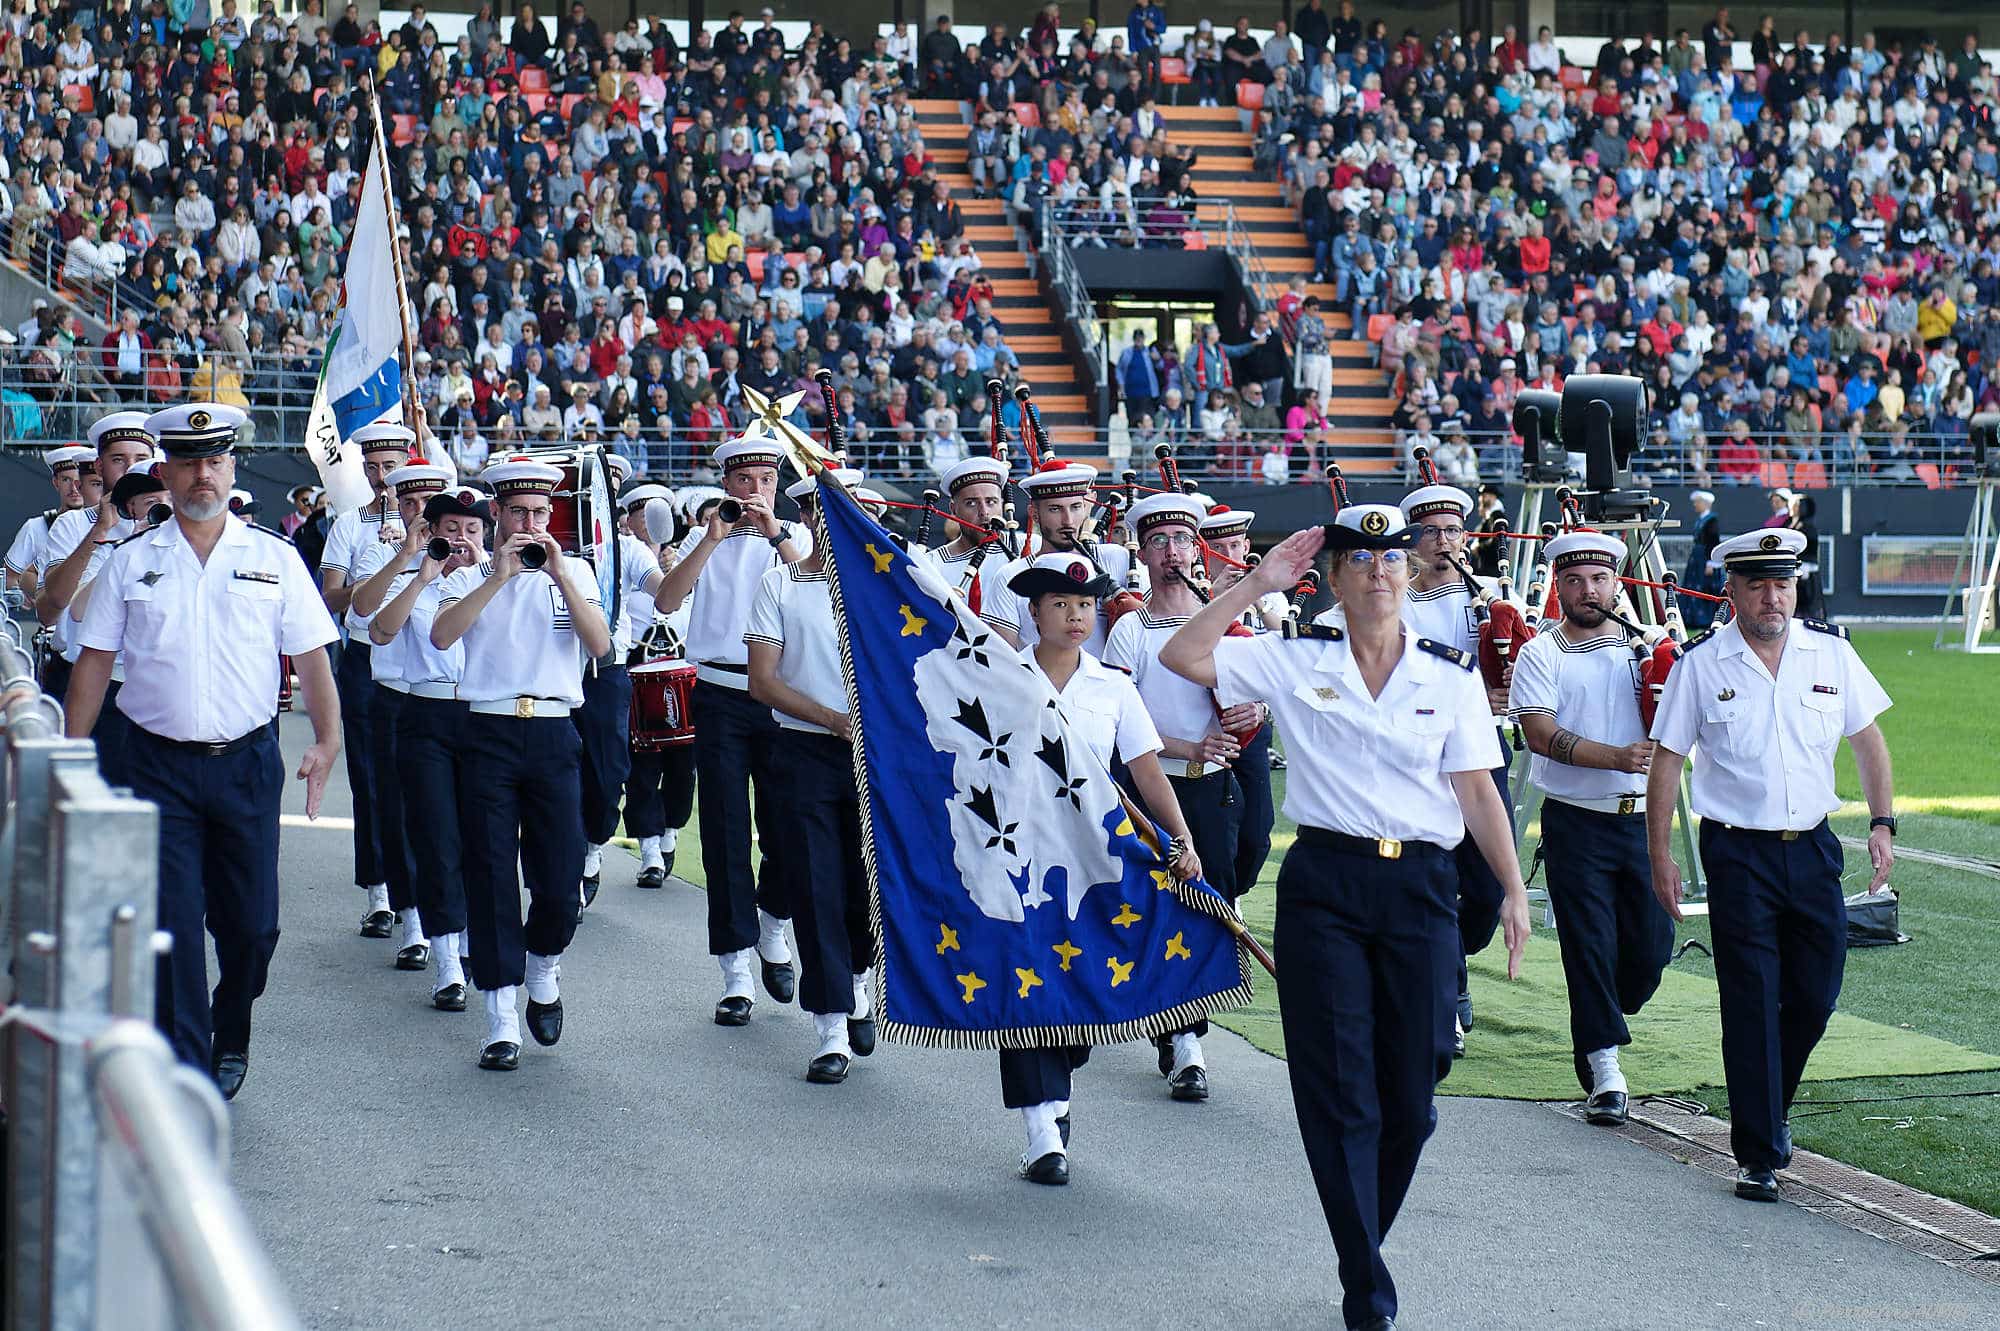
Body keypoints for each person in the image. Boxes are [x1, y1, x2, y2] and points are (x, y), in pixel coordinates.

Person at [1159, 504, 1530, 1331]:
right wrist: (1257, 582)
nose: (1379, 573)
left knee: (1415, 1093)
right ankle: (1365, 1276)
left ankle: (1362, 1239)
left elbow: (1477, 788)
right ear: (1331, 580)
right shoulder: (1293, 656)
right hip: (1327, 884)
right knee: (1340, 1089)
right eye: (1359, 561)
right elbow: (1182, 653)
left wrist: (1511, 886)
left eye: (1392, 560)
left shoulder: (1447, 671)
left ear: (1409, 573)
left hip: (1422, 887)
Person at [65, 402, 341, 1100]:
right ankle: (189, 1072)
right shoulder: (132, 563)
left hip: (246, 763)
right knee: (173, 926)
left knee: (252, 929)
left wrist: (328, 740)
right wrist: (67, 757)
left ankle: (233, 1024)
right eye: (187, 462)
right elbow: (94, 663)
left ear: (231, 467)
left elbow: (311, 658)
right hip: (154, 764)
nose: (201, 475)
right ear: (166, 470)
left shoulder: (273, 559)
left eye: (214, 460)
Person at [1647, 527, 1897, 1203]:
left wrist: (1882, 822)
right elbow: (1668, 758)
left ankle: (1768, 1104)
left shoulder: (1830, 653)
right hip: (1737, 854)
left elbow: (1868, 737)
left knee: (1815, 995)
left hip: (1813, 848)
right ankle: (1758, 1151)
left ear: (1795, 586)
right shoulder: (1701, 664)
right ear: (1731, 590)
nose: (1771, 597)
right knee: (1751, 999)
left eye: (1781, 582)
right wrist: (1662, 853)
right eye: (1756, 583)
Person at [1003, 552, 1203, 1185]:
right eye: (1060, 604)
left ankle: (1057, 1083)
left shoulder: (1114, 686)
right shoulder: (998, 679)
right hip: (1016, 861)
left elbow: (1146, 769)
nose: (1075, 616)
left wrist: (1181, 837)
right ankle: (1041, 1125)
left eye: (1085, 604)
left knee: (1081, 988)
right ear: (1034, 612)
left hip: (1096, 864)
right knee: (1026, 988)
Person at [431, 457, 612, 1071]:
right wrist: (497, 578)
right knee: (488, 873)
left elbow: (602, 645)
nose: (530, 524)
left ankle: (543, 967)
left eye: (540, 513)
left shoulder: (576, 570)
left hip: (556, 731)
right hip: (488, 729)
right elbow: (441, 637)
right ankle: (501, 1015)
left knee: (561, 881)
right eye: (518, 514)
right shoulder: (471, 571)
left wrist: (559, 576)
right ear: (498, 516)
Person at [1508, 531, 1674, 1126]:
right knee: (1590, 946)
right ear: (1559, 585)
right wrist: (1618, 757)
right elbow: (1539, 735)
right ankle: (1605, 1070)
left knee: (1650, 955)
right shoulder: (1541, 653)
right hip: (1576, 823)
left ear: (1617, 583)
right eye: (1574, 581)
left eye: (1599, 579)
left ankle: (1609, 1015)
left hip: (1643, 823)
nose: (1587, 591)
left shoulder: (1647, 651)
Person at [653, 433, 810, 1025]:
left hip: (779, 694)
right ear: (727, 485)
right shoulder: (704, 538)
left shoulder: (791, 542)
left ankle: (774, 923)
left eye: (766, 481)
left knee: (787, 825)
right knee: (723, 830)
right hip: (719, 692)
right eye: (745, 481)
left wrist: (775, 529)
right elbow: (667, 600)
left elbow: (816, 586)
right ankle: (735, 969)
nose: (756, 491)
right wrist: (712, 537)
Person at [1105, 492, 1255, 1102]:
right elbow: (1120, 718)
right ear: (1142, 553)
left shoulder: (1220, 619)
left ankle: (1186, 1031)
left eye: (1183, 542)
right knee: (1165, 911)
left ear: (1199, 548)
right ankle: (1184, 1041)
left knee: (1214, 904)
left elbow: (1260, 691)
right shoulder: (1129, 630)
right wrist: (1187, 745)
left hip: (1215, 789)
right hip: (1152, 791)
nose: (1173, 554)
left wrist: (1258, 707)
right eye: (1160, 543)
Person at [745, 469, 878, 1084]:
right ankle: (830, 1026)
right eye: (831, 514)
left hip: (877, 759)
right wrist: (833, 720)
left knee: (865, 889)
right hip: (804, 751)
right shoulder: (781, 583)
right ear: (811, 519)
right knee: (818, 885)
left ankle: (859, 980)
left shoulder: (889, 585)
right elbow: (764, 681)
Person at [367, 482, 492, 1012]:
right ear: (432, 533)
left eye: (471, 529)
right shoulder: (418, 579)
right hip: (427, 714)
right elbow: (379, 631)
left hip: (488, 717)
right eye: (450, 530)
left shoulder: (505, 576)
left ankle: (469, 944)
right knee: (436, 837)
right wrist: (419, 574)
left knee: (481, 840)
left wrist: (490, 564)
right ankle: (445, 960)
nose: (461, 539)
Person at [346, 460, 457, 971]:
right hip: (393, 696)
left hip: (455, 702)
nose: (419, 513)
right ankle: (411, 920)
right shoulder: (381, 551)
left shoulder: (466, 555)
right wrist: (406, 556)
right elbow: (364, 612)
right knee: (396, 810)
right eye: (409, 503)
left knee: (451, 820)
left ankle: (456, 927)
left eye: (428, 505)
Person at [318, 423, 421, 939]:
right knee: (371, 778)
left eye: (393, 467)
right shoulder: (349, 525)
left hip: (419, 661)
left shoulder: (432, 522)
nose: (384, 478)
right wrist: (374, 579)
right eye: (375, 468)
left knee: (416, 781)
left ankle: (421, 899)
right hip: (363, 656)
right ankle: (379, 891)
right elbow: (331, 596)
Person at [575, 453, 667, 905]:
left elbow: (663, 593)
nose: (603, 494)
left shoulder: (628, 548)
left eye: (610, 486)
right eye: (596, 484)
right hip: (555, 674)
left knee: (609, 773)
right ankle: (565, 864)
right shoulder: (559, 541)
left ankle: (593, 845)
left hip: (608, 672)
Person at [34, 412, 156, 701]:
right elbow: (50, 609)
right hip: (82, 673)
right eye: (118, 460)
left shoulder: (169, 522)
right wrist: (99, 530)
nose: (130, 469)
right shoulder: (72, 524)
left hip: (149, 677)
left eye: (141, 458)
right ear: (99, 466)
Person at [1199, 504, 1283, 897]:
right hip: (1205, 730)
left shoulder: (1271, 600)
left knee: (1257, 834)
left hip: (1251, 728)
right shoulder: (1191, 596)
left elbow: (1285, 660)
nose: (1228, 556)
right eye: (1218, 548)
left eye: (1235, 545)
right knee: (1217, 833)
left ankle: (1235, 895)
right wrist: (1214, 598)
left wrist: (1257, 595)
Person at [617, 483, 695, 887]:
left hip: (682, 670)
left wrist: (677, 568)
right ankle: (649, 849)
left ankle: (670, 831)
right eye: (641, 514)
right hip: (638, 668)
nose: (649, 523)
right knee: (642, 767)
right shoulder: (622, 559)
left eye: (657, 513)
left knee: (683, 769)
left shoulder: (683, 556)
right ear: (629, 519)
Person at [981, 461, 1132, 656]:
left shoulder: (1116, 558)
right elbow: (1003, 659)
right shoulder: (1010, 576)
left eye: (1076, 507)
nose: (1068, 521)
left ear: (1087, 507)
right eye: (1055, 509)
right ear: (1034, 514)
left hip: (1104, 684)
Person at [917, 455, 1008, 611]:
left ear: (1002, 504)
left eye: (991, 502)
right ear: (953, 509)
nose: (984, 512)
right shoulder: (933, 564)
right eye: (971, 503)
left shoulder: (1027, 549)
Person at [5, 444, 96, 597]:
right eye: (66, 479)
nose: (74, 488)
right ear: (55, 483)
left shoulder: (106, 524)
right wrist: (36, 597)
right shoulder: (36, 527)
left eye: (79, 480)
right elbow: (11, 577)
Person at [1680, 488, 1722, 628]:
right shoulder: (1701, 520)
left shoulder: (1711, 521)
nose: (1695, 505)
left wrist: (1711, 563)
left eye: (1698, 502)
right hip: (1697, 559)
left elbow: (1713, 542)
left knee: (1705, 588)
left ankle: (1704, 619)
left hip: (1704, 560)